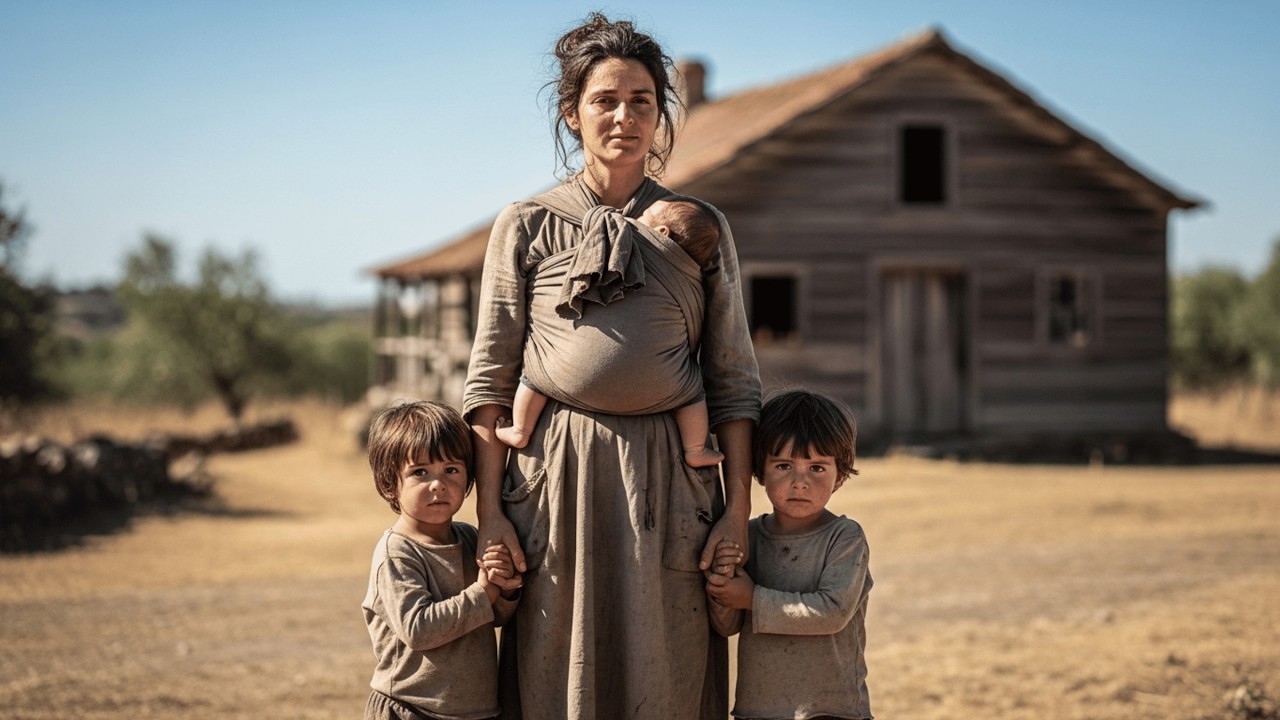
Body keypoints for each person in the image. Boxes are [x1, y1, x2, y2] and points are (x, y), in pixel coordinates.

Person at [463, 12, 761, 720]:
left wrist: (738, 512)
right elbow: (489, 379)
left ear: (660, 116)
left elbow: (733, 379)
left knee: (669, 666)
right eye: (605, 100)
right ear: (572, 114)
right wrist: (491, 512)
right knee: (553, 664)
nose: (624, 117)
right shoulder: (528, 222)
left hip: (671, 477)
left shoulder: (698, 227)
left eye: (642, 102)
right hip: (553, 478)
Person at [493, 196, 726, 468]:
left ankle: (520, 430)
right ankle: (696, 448)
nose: (634, 218)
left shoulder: (633, 242)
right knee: (693, 394)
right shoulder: (690, 272)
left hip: (565, 379)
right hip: (667, 386)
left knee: (535, 375)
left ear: (662, 234)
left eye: (646, 215)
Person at [705, 389, 873, 720]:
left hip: (831, 710)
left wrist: (752, 598)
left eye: (817, 468)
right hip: (759, 709)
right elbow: (729, 625)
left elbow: (832, 613)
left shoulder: (844, 538)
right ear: (759, 471)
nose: (800, 482)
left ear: (840, 476)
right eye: (784, 465)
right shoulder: (747, 536)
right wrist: (721, 586)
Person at [361, 401, 523, 720]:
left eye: (451, 470)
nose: (439, 484)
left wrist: (506, 589)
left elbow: (491, 617)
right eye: (420, 472)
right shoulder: (397, 552)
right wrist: (485, 591)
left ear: (469, 478)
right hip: (411, 709)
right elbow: (419, 630)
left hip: (474, 710)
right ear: (388, 484)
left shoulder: (470, 538)